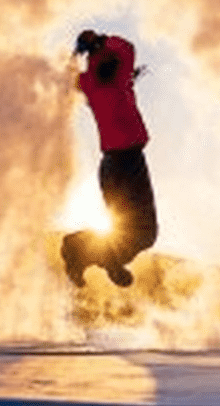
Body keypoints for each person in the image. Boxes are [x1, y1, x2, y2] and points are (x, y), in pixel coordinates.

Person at [61, 30, 158, 288]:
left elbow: (67, 78)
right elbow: (126, 46)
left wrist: (78, 53)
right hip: (126, 163)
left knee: (133, 232)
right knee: (144, 233)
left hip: (113, 166)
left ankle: (94, 258)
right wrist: (99, 42)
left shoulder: (94, 79)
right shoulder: (114, 72)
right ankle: (83, 250)